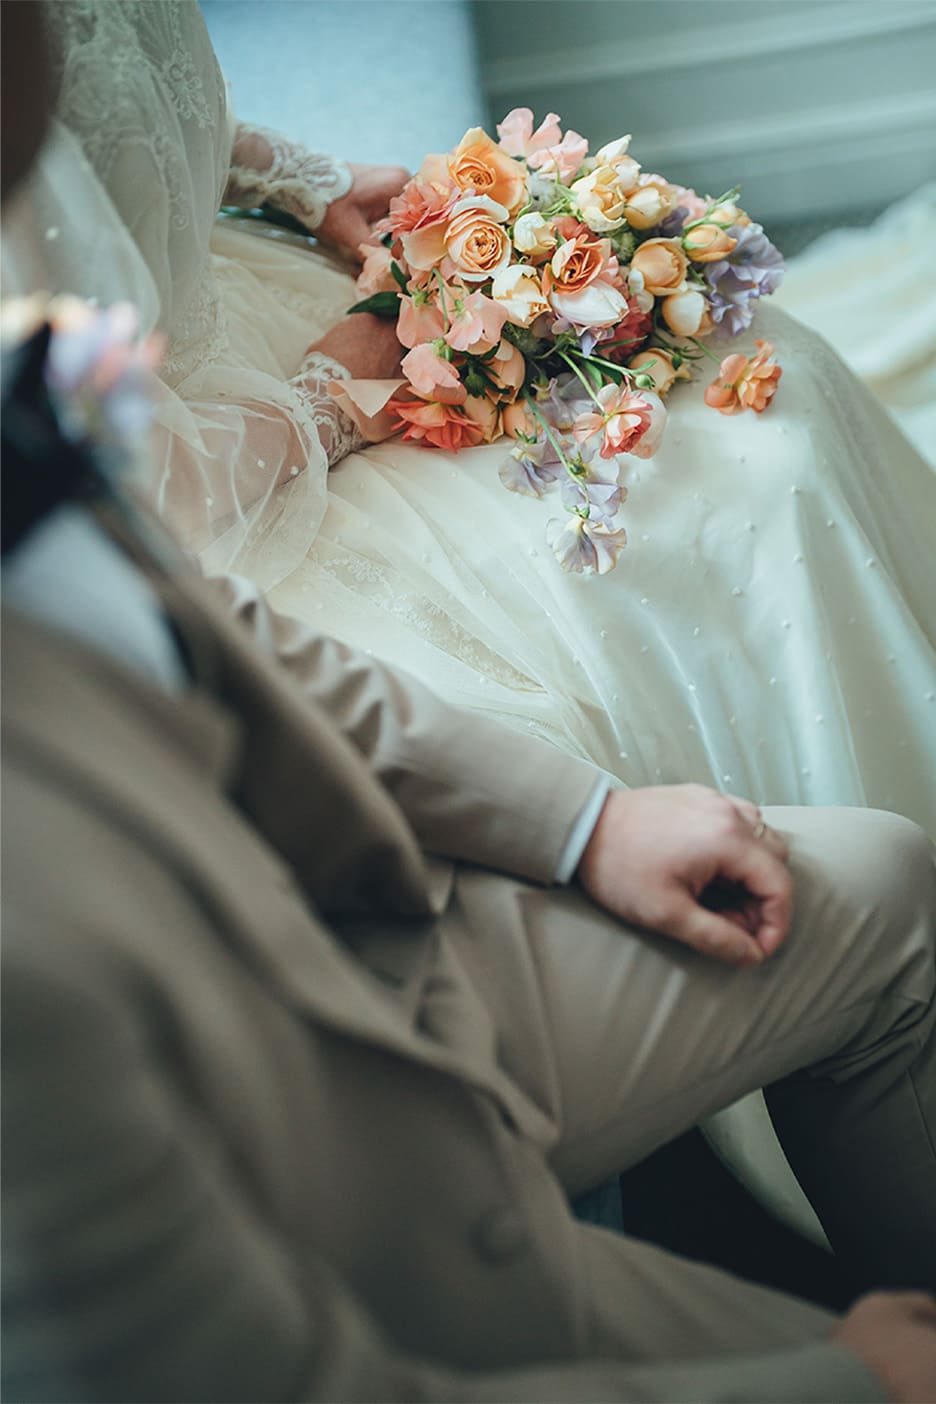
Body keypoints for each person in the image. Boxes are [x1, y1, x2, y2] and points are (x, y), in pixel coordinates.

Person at [4, 5, 936, 1401]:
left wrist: (588, 824)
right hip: (330, 1156)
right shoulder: (35, 1007)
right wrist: (847, 1382)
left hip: (366, 949)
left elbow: (200, 628)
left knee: (880, 870)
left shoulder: (26, 432)